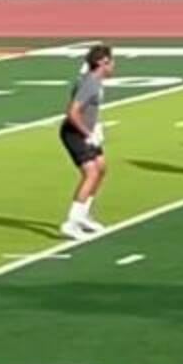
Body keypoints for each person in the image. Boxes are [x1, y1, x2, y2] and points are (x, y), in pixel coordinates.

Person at [58, 44, 115, 240]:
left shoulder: (95, 81)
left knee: (101, 167)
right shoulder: (90, 83)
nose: (113, 66)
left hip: (86, 131)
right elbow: (72, 112)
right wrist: (87, 134)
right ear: (102, 62)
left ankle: (84, 214)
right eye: (111, 62)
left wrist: (95, 126)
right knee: (90, 172)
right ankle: (71, 222)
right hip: (74, 132)